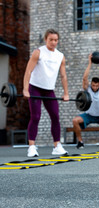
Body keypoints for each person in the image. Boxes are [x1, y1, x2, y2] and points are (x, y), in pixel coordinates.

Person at [23, 29, 69, 157]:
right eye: (51, 40)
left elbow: (63, 76)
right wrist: (25, 89)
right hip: (35, 88)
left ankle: (57, 146)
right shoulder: (38, 52)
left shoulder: (60, 56)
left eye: (55, 40)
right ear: (46, 40)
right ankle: (31, 147)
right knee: (36, 116)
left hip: (49, 90)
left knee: (55, 116)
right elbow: (28, 71)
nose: (53, 42)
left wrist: (66, 93)